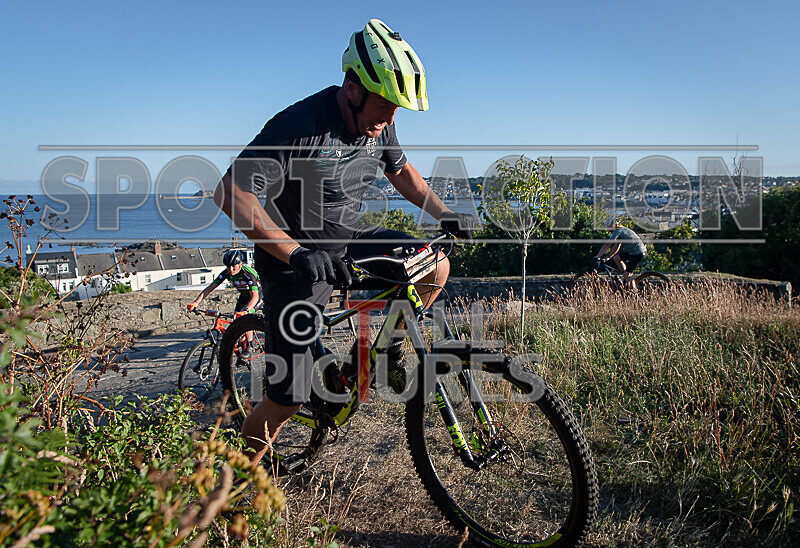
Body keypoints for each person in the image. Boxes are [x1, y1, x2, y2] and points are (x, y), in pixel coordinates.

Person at [213, 18, 474, 465]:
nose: (390, 118)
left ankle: (367, 358)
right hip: (293, 261)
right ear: (352, 88)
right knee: (287, 399)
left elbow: (401, 172)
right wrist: (295, 252)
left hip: (346, 239)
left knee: (434, 265)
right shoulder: (302, 124)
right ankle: (235, 484)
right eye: (385, 105)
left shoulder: (379, 120)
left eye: (397, 109)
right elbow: (230, 193)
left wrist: (444, 212)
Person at [187, 249, 263, 357]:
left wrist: (246, 311)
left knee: (245, 318)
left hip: (258, 295)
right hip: (244, 296)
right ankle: (242, 346)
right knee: (236, 322)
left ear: (240, 264)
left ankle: (250, 346)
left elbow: (255, 296)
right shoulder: (226, 273)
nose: (231, 270)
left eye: (233, 266)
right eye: (228, 267)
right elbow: (210, 288)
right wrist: (196, 302)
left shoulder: (248, 274)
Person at [594, 218, 647, 286]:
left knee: (627, 275)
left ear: (613, 225)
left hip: (637, 253)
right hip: (636, 252)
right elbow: (617, 246)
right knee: (616, 258)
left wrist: (597, 256)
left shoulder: (617, 231)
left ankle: (634, 292)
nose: (608, 229)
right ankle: (625, 279)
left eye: (608, 227)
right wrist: (609, 256)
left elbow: (607, 244)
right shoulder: (621, 230)